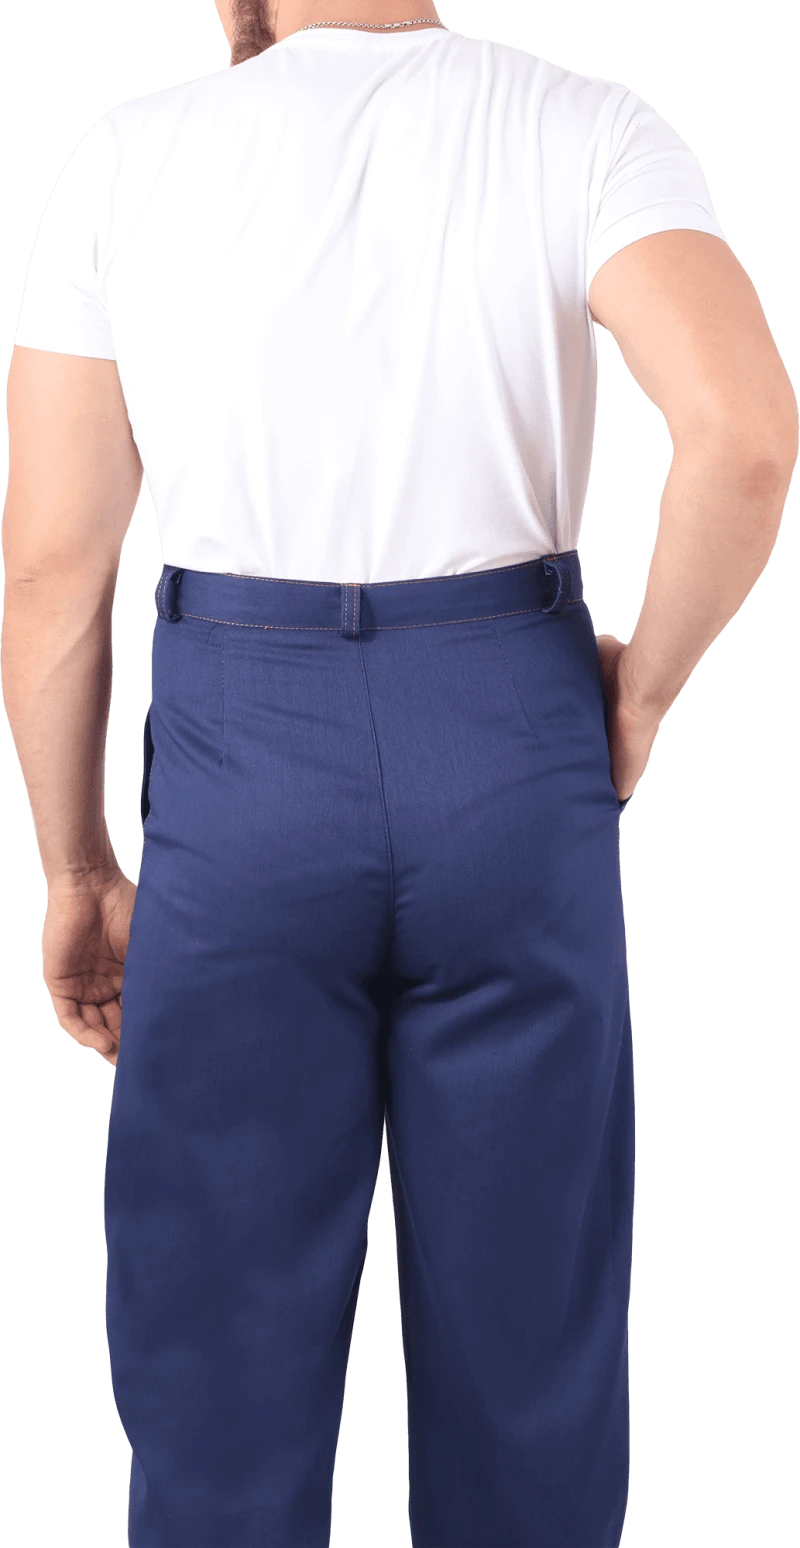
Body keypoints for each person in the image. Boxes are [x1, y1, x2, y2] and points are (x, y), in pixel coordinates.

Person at [2, 4, 795, 1545]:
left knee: (216, 1378)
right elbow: (744, 437)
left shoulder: (129, 156)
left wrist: (78, 866)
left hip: (243, 754)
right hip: (509, 730)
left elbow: (52, 564)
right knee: (533, 1353)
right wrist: (641, 685)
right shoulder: (582, 122)